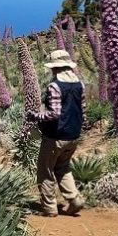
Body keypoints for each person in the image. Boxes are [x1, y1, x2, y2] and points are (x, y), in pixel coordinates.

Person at [27, 50, 86, 217]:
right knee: (62, 168)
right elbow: (84, 111)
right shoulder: (79, 85)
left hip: (55, 137)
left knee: (45, 171)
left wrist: (35, 116)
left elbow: (54, 114)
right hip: (73, 136)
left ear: (56, 68)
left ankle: (49, 208)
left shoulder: (55, 86)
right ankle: (75, 199)